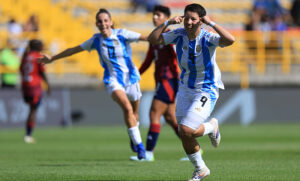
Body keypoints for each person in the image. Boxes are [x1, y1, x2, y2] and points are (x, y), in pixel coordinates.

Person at [38, 8, 147, 160]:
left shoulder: (123, 34)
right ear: (96, 24)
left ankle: (133, 134)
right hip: (113, 81)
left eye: (105, 21)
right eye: (100, 21)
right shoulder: (95, 41)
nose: (103, 24)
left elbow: (147, 38)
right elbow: (73, 50)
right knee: (128, 109)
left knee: (134, 113)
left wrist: (165, 30)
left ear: (111, 22)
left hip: (132, 78)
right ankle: (141, 147)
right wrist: (52, 58)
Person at [148, 3, 235, 181]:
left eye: (193, 19)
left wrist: (212, 23)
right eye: (186, 18)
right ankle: (200, 168)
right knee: (183, 131)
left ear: (200, 21)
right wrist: (167, 23)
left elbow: (230, 40)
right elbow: (153, 39)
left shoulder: (207, 36)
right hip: (185, 88)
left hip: (206, 88)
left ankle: (211, 126)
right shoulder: (178, 34)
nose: (188, 22)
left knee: (188, 130)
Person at [130, 5, 192, 162]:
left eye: (158, 15)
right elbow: (149, 60)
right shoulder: (154, 38)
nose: (154, 17)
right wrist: (135, 74)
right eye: (154, 15)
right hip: (161, 79)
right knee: (171, 118)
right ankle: (192, 149)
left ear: (166, 18)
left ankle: (148, 153)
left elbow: (178, 56)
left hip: (169, 80)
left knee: (154, 113)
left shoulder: (170, 37)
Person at [20, 39, 51, 143]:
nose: (42, 47)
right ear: (37, 47)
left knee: (31, 109)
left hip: (25, 85)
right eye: (41, 45)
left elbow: (21, 70)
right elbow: (42, 72)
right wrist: (48, 85)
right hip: (34, 86)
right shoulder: (37, 56)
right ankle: (28, 135)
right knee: (33, 110)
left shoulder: (25, 56)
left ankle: (28, 134)